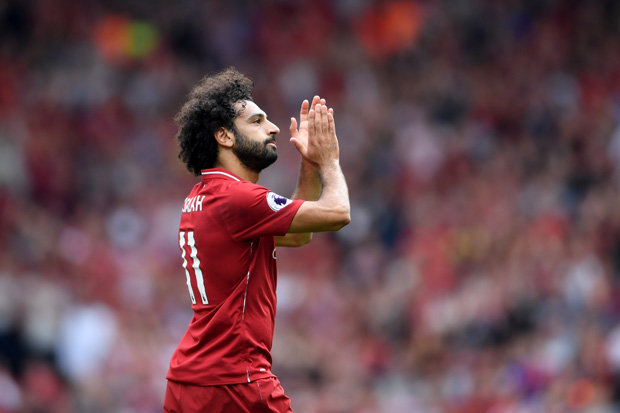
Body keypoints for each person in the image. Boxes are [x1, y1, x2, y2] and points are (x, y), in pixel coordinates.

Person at [163, 68, 350, 413]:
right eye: (257, 121)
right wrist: (330, 161)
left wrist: (309, 166)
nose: (274, 127)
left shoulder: (202, 196)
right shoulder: (238, 199)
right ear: (224, 136)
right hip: (236, 381)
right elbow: (338, 212)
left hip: (187, 383)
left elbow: (298, 236)